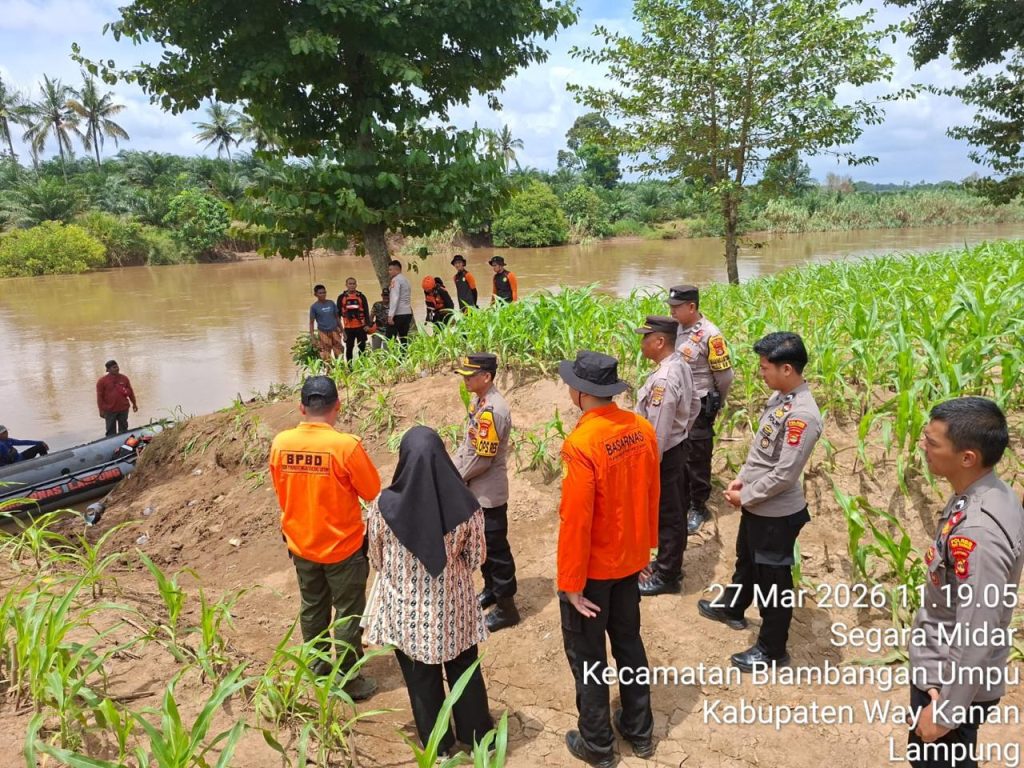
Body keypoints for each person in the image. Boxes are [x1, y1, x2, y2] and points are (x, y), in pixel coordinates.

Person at [906, 397, 1024, 768]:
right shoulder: (986, 494)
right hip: (950, 679)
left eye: (932, 442)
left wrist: (945, 714)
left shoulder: (979, 531)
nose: (922, 447)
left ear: (967, 457)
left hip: (949, 685)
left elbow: (978, 629)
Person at [557, 350, 660, 767]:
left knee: (588, 655)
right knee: (629, 642)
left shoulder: (582, 444)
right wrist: (646, 548)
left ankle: (597, 743)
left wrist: (570, 584)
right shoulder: (641, 428)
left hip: (595, 569)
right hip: (630, 560)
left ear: (581, 392)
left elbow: (575, 521)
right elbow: (652, 494)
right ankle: (640, 730)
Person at [697, 332, 821, 672]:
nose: (760, 373)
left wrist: (744, 495)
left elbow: (784, 474)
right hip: (758, 506)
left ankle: (772, 648)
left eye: (765, 368)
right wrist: (742, 476)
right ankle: (733, 607)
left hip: (776, 514)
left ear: (786, 369)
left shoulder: (802, 415)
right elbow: (763, 451)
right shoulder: (781, 399)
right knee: (747, 563)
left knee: (773, 583)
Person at [366, 426, 494, 757]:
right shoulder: (466, 506)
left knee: (421, 680)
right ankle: (478, 737)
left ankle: (439, 746)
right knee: (465, 670)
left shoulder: (382, 507)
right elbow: (476, 557)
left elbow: (376, 559)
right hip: (456, 611)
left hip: (407, 616)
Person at [268, 376, 381, 701]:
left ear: (302, 407)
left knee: (313, 606)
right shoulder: (345, 447)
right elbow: (373, 492)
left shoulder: (281, 443)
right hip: (342, 548)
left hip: (300, 544)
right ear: (337, 406)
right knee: (347, 612)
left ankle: (317, 671)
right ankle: (348, 680)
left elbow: (281, 489)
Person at [633, 316, 700, 597]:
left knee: (668, 514)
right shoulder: (680, 365)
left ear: (660, 341)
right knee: (675, 510)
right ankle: (669, 563)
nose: (641, 344)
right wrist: (682, 430)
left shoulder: (663, 378)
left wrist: (649, 466)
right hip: (678, 447)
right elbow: (695, 404)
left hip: (665, 455)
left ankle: (668, 574)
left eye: (645, 338)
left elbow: (657, 433)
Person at [452, 354, 519, 632]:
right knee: (483, 549)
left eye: (470, 375)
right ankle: (491, 589)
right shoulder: (481, 403)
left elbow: (482, 459)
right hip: (477, 491)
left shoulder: (492, 410)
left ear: (487, 377)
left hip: (487, 494)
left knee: (496, 550)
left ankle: (507, 608)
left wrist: (455, 476)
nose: (465, 380)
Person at [666, 285, 734, 535]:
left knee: (697, 456)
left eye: (676, 307)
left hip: (699, 403)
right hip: (677, 404)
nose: (671, 311)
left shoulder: (710, 335)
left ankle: (698, 506)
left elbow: (725, 376)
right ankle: (682, 499)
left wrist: (717, 403)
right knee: (678, 452)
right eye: (670, 307)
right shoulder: (675, 329)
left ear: (692, 307)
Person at [96, 360, 138, 437]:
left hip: (123, 409)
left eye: (117, 366)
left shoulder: (124, 378)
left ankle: (124, 445)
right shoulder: (102, 381)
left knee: (124, 429)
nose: (117, 369)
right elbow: (99, 397)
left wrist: (134, 404)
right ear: (108, 370)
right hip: (109, 411)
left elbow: (131, 392)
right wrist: (101, 410)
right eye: (114, 367)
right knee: (110, 431)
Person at [337, 277, 371, 362]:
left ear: (356, 285)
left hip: (361, 327)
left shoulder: (361, 296)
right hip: (348, 328)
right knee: (349, 348)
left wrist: (367, 325)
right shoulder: (341, 297)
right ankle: (350, 368)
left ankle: (363, 366)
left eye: (353, 284)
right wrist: (340, 330)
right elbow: (338, 315)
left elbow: (366, 311)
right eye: (350, 284)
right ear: (346, 285)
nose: (352, 285)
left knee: (362, 348)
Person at [309, 284, 342, 363]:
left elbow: (337, 318)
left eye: (324, 292)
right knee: (326, 353)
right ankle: (329, 372)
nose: (323, 295)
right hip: (323, 332)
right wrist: (313, 338)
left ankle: (341, 370)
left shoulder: (331, 303)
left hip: (335, 331)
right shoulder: (314, 307)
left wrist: (343, 331)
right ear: (315, 294)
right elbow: (311, 323)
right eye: (320, 293)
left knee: (339, 352)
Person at [387, 260, 414, 345]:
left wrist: (391, 315)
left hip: (398, 314)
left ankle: (395, 356)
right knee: (403, 338)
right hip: (407, 312)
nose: (389, 272)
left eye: (391, 270)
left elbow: (395, 298)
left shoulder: (395, 280)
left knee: (389, 338)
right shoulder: (406, 280)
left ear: (397, 270)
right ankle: (404, 356)